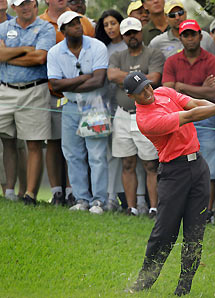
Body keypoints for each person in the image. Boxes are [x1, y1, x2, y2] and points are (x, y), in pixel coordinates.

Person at [124, 71, 215, 295]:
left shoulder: (163, 92)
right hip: (173, 173)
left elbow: (194, 103)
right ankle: (145, 281)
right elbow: (189, 116)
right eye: (142, 92)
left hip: (198, 167)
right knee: (164, 232)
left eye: (148, 87)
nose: (148, 93)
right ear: (133, 97)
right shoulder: (146, 120)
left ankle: (184, 287)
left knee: (195, 231)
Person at [0, 0, 55, 203]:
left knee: (34, 143)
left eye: (29, 3)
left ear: (36, 6)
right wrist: (25, 49)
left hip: (35, 89)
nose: (25, 7)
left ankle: (29, 194)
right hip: (5, 91)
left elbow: (39, 58)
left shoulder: (45, 27)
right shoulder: (3, 28)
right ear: (14, 8)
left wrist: (7, 55)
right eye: (21, 4)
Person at [47, 11, 108, 214]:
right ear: (62, 30)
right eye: (71, 24)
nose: (77, 26)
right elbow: (54, 83)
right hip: (70, 105)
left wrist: (69, 83)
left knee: (97, 154)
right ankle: (82, 199)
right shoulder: (55, 52)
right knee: (73, 154)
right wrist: (83, 78)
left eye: (78, 22)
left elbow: (99, 80)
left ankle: (99, 201)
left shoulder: (97, 46)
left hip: (94, 104)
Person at [162, 19, 215, 223]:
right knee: (181, 166)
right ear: (180, 38)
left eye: (193, 34)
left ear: (200, 36)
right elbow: (168, 93)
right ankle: (187, 209)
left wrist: (182, 86)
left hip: (206, 119)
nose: (190, 38)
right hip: (179, 119)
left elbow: (213, 93)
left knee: (210, 167)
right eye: (186, 35)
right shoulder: (172, 61)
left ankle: (207, 211)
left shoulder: (213, 61)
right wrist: (199, 88)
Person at [107, 17, 165, 217]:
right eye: (127, 33)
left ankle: (154, 207)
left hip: (147, 113)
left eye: (135, 32)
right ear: (123, 36)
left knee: (150, 164)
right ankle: (131, 208)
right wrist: (140, 78)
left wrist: (128, 79)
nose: (132, 36)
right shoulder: (117, 55)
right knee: (127, 163)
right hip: (122, 115)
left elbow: (155, 80)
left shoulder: (154, 53)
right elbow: (111, 75)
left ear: (141, 32)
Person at [40, 0, 95, 205]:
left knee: (80, 147)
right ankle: (57, 192)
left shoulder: (85, 22)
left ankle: (75, 193)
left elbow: (91, 62)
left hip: (81, 97)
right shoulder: (41, 22)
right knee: (55, 142)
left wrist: (76, 82)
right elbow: (50, 73)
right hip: (50, 93)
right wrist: (81, 80)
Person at [94, 9, 126, 210]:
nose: (110, 28)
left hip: (124, 104)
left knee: (124, 154)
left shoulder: (128, 45)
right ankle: (109, 195)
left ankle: (130, 197)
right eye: (106, 25)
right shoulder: (101, 47)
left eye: (113, 23)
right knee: (107, 153)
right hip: (103, 105)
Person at [148, 0, 215, 59]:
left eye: (180, 13)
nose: (177, 17)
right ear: (166, 18)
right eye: (172, 15)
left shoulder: (205, 37)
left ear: (185, 13)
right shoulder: (157, 43)